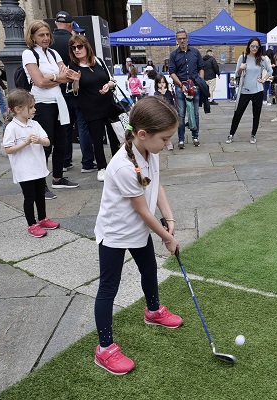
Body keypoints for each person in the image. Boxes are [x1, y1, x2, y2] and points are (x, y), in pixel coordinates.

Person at [93, 96, 181, 375]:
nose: (168, 144)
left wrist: (169, 218)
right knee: (108, 287)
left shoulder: (149, 152)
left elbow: (157, 186)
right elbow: (143, 211)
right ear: (142, 134)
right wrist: (167, 237)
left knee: (150, 270)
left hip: (139, 230)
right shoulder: (122, 166)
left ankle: (153, 311)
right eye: (165, 138)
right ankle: (104, 348)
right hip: (115, 234)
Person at [23, 19, 79, 200]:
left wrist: (52, 76)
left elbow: (69, 76)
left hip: (58, 101)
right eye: (41, 35)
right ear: (33, 37)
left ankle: (58, 177)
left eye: (47, 34)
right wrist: (58, 77)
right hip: (41, 103)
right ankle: (41, 183)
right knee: (44, 144)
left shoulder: (54, 53)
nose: (46, 38)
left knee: (62, 141)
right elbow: (39, 82)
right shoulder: (29, 54)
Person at [2, 89, 60, 238]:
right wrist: (25, 143)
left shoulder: (34, 124)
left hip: (38, 167)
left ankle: (42, 218)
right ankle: (31, 223)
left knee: (40, 194)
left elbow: (47, 141)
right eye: (31, 107)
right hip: (24, 170)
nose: (35, 109)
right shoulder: (12, 128)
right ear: (18, 109)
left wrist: (39, 140)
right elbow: (8, 149)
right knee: (29, 197)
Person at [66, 34, 119, 183]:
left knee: (114, 136)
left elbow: (112, 80)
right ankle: (102, 167)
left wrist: (108, 85)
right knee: (97, 138)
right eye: (73, 48)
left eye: (79, 46)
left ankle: (117, 164)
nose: (77, 50)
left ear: (86, 46)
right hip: (90, 107)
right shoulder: (73, 66)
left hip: (108, 105)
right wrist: (76, 80)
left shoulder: (99, 61)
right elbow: (73, 91)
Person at [50, 10, 97, 175]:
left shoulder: (49, 42)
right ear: (70, 25)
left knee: (66, 126)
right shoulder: (72, 40)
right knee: (83, 125)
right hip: (75, 88)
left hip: (58, 90)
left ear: (56, 23)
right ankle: (87, 162)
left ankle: (65, 160)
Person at [225, 37, 272, 145]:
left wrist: (264, 79)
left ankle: (253, 135)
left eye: (257, 46)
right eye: (252, 46)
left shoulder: (262, 59)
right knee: (238, 113)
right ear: (249, 46)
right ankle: (231, 134)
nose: (254, 48)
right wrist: (241, 68)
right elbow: (237, 73)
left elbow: (270, 70)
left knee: (256, 114)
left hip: (258, 90)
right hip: (244, 91)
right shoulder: (243, 57)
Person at [169, 28, 204, 149]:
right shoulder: (173, 55)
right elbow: (172, 72)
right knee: (181, 114)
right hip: (180, 87)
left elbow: (201, 67)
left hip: (194, 86)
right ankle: (181, 139)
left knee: (195, 113)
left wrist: (200, 81)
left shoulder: (195, 52)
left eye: (184, 38)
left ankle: (195, 136)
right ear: (177, 40)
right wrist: (180, 85)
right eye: (180, 39)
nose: (182, 40)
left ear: (187, 38)